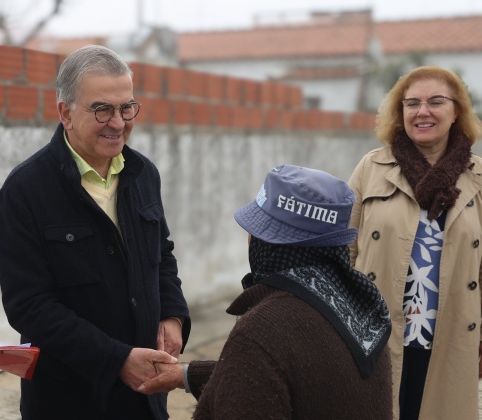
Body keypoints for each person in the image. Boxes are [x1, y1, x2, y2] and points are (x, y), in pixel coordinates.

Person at [0, 44, 191, 419]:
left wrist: (173, 315)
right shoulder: (24, 191)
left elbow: (161, 256)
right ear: (65, 113)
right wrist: (115, 359)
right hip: (69, 402)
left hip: (146, 400)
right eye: (102, 109)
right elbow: (28, 306)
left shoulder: (144, 174)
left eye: (126, 107)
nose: (118, 122)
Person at [139, 164, 393, 419]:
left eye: (256, 231)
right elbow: (299, 376)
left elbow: (264, 366)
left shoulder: (264, 330)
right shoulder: (362, 307)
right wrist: (183, 374)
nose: (249, 238)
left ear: (269, 246)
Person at [348, 65, 482, 420]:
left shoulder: (479, 177)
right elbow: (341, 249)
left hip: (451, 334)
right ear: (400, 112)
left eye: (436, 101)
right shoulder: (371, 168)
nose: (422, 111)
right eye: (412, 103)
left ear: (456, 112)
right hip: (375, 332)